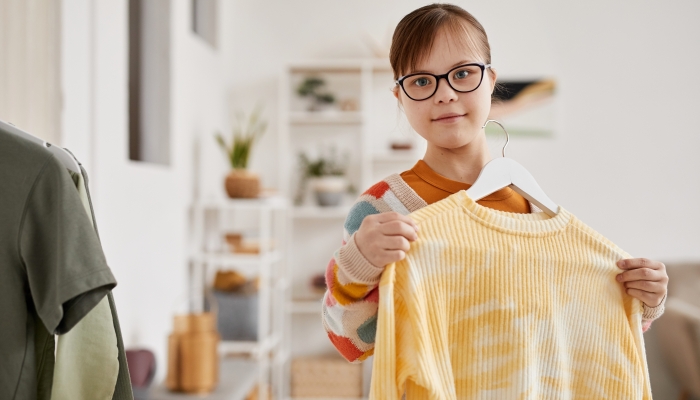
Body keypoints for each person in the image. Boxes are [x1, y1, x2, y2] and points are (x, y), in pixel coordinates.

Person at [321, 3, 668, 364]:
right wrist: (355, 265)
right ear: (400, 97)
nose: (445, 94)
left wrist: (643, 301)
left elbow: (570, 327)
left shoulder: (535, 210)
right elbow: (349, 343)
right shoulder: (381, 208)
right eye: (421, 81)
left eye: (463, 74)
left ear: (490, 80)